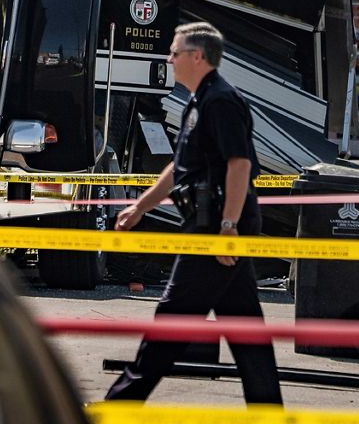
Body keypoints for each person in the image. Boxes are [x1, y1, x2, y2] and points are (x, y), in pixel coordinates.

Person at [105, 22, 282, 403]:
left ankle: (119, 405)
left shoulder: (220, 101)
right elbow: (180, 168)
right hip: (212, 223)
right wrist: (139, 207)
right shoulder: (199, 100)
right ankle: (268, 410)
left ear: (197, 56)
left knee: (171, 320)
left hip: (215, 227)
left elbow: (240, 165)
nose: (169, 59)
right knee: (246, 330)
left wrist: (228, 227)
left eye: (174, 52)